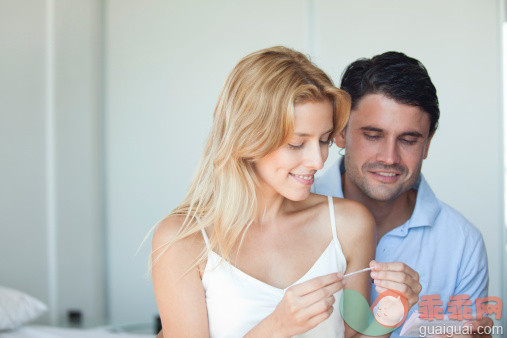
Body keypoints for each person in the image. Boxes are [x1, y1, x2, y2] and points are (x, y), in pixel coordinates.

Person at [151, 47, 420, 338]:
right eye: (296, 143)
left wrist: (392, 311)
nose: (318, 161)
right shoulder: (183, 241)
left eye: (325, 140)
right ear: (248, 137)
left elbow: (353, 335)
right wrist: (276, 328)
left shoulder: (349, 224)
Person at [312, 51, 490, 337]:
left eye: (408, 140)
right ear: (341, 132)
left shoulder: (462, 243)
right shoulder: (289, 208)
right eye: (373, 135)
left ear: (428, 144)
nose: (390, 157)